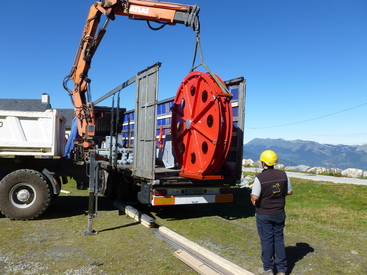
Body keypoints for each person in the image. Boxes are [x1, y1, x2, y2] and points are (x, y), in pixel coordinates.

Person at [251, 150, 293, 275]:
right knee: (279, 239)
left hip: (264, 214)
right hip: (279, 213)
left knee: (267, 240)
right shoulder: (283, 175)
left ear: (263, 163)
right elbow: (289, 192)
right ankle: (282, 269)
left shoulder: (260, 178)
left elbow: (255, 197)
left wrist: (251, 198)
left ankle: (268, 268)